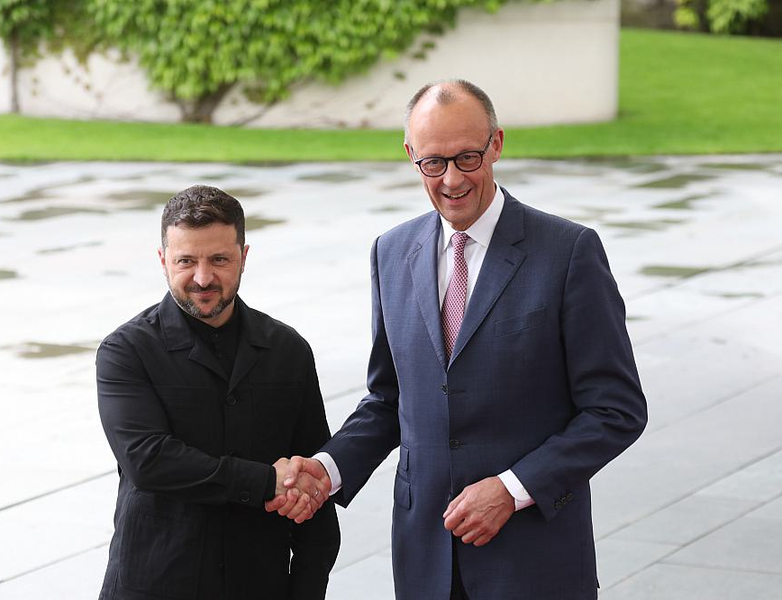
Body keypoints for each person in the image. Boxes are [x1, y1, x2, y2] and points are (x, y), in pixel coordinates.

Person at [271, 80, 648, 599]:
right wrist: (325, 469)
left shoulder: (569, 252)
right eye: (433, 162)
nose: (451, 179)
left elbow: (616, 410)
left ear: (496, 144)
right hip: (424, 561)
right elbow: (388, 400)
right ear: (410, 155)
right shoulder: (391, 251)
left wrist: (512, 490)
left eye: (467, 157)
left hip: (533, 561)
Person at [96, 186, 339, 600]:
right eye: (186, 261)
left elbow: (311, 477)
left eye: (219, 260)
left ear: (244, 257)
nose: (203, 278)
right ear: (163, 260)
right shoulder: (125, 351)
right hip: (155, 584)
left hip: (261, 584)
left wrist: (309, 586)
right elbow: (149, 460)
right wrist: (267, 481)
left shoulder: (288, 350)